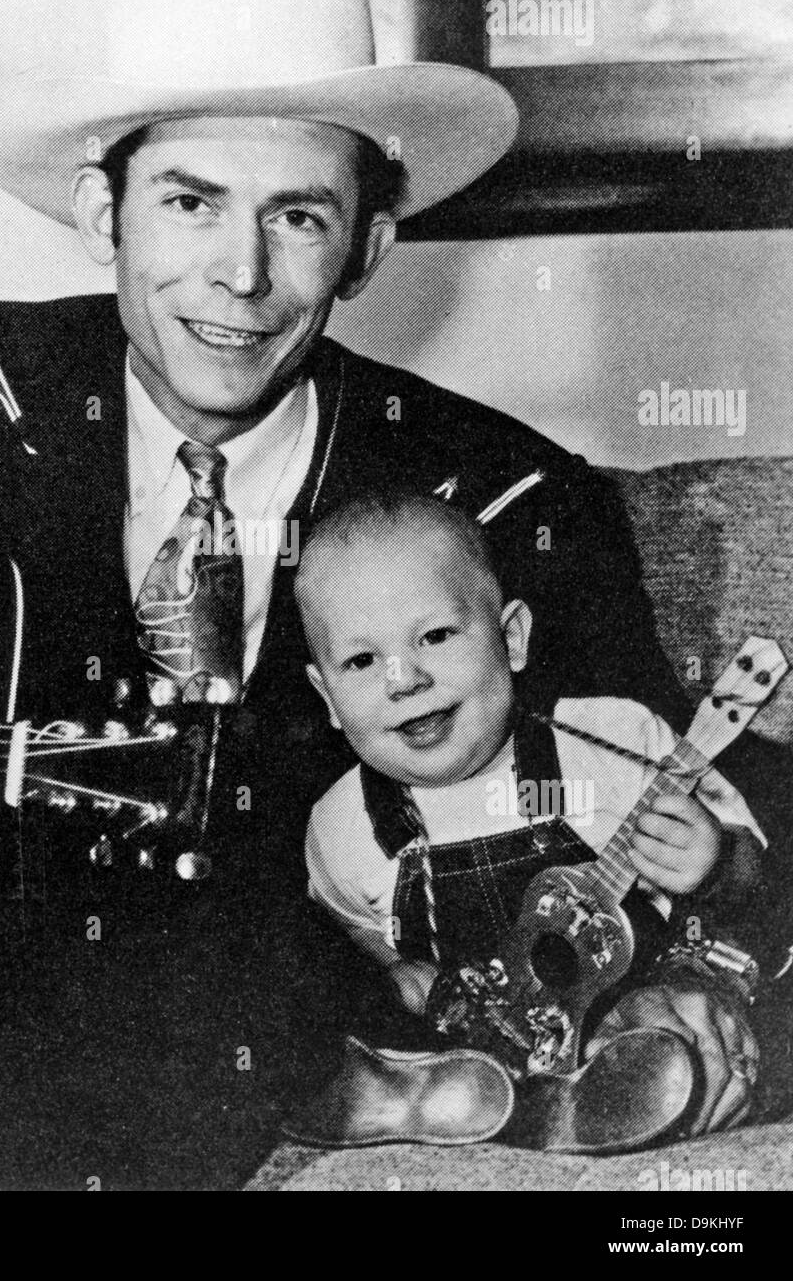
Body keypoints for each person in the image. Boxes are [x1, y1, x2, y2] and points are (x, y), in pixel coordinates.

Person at [0, 0, 782, 1187]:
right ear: (102, 211)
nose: (241, 275)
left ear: (367, 246)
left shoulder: (491, 496)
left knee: (217, 1002)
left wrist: (713, 953)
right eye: (190, 202)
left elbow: (685, 783)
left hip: (213, 1042)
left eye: (299, 216)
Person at [296, 485, 764, 1137]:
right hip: (474, 1052)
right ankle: (436, 1097)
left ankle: (612, 1094)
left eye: (435, 635)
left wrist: (717, 861)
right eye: (361, 659)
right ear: (326, 696)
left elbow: (761, 885)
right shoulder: (344, 825)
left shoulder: (612, 742)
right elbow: (356, 935)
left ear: (511, 637)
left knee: (661, 1030)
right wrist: (398, 975)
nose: (403, 679)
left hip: (625, 1020)